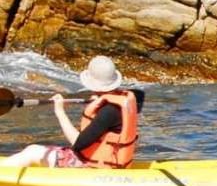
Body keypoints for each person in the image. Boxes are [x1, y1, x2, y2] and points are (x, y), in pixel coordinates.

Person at [1, 56, 143, 169]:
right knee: (32, 148)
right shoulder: (125, 100)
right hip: (114, 160)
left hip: (91, 166)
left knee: (32, 153)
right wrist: (98, 99)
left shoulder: (108, 112)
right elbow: (139, 95)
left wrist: (60, 111)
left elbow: (77, 143)